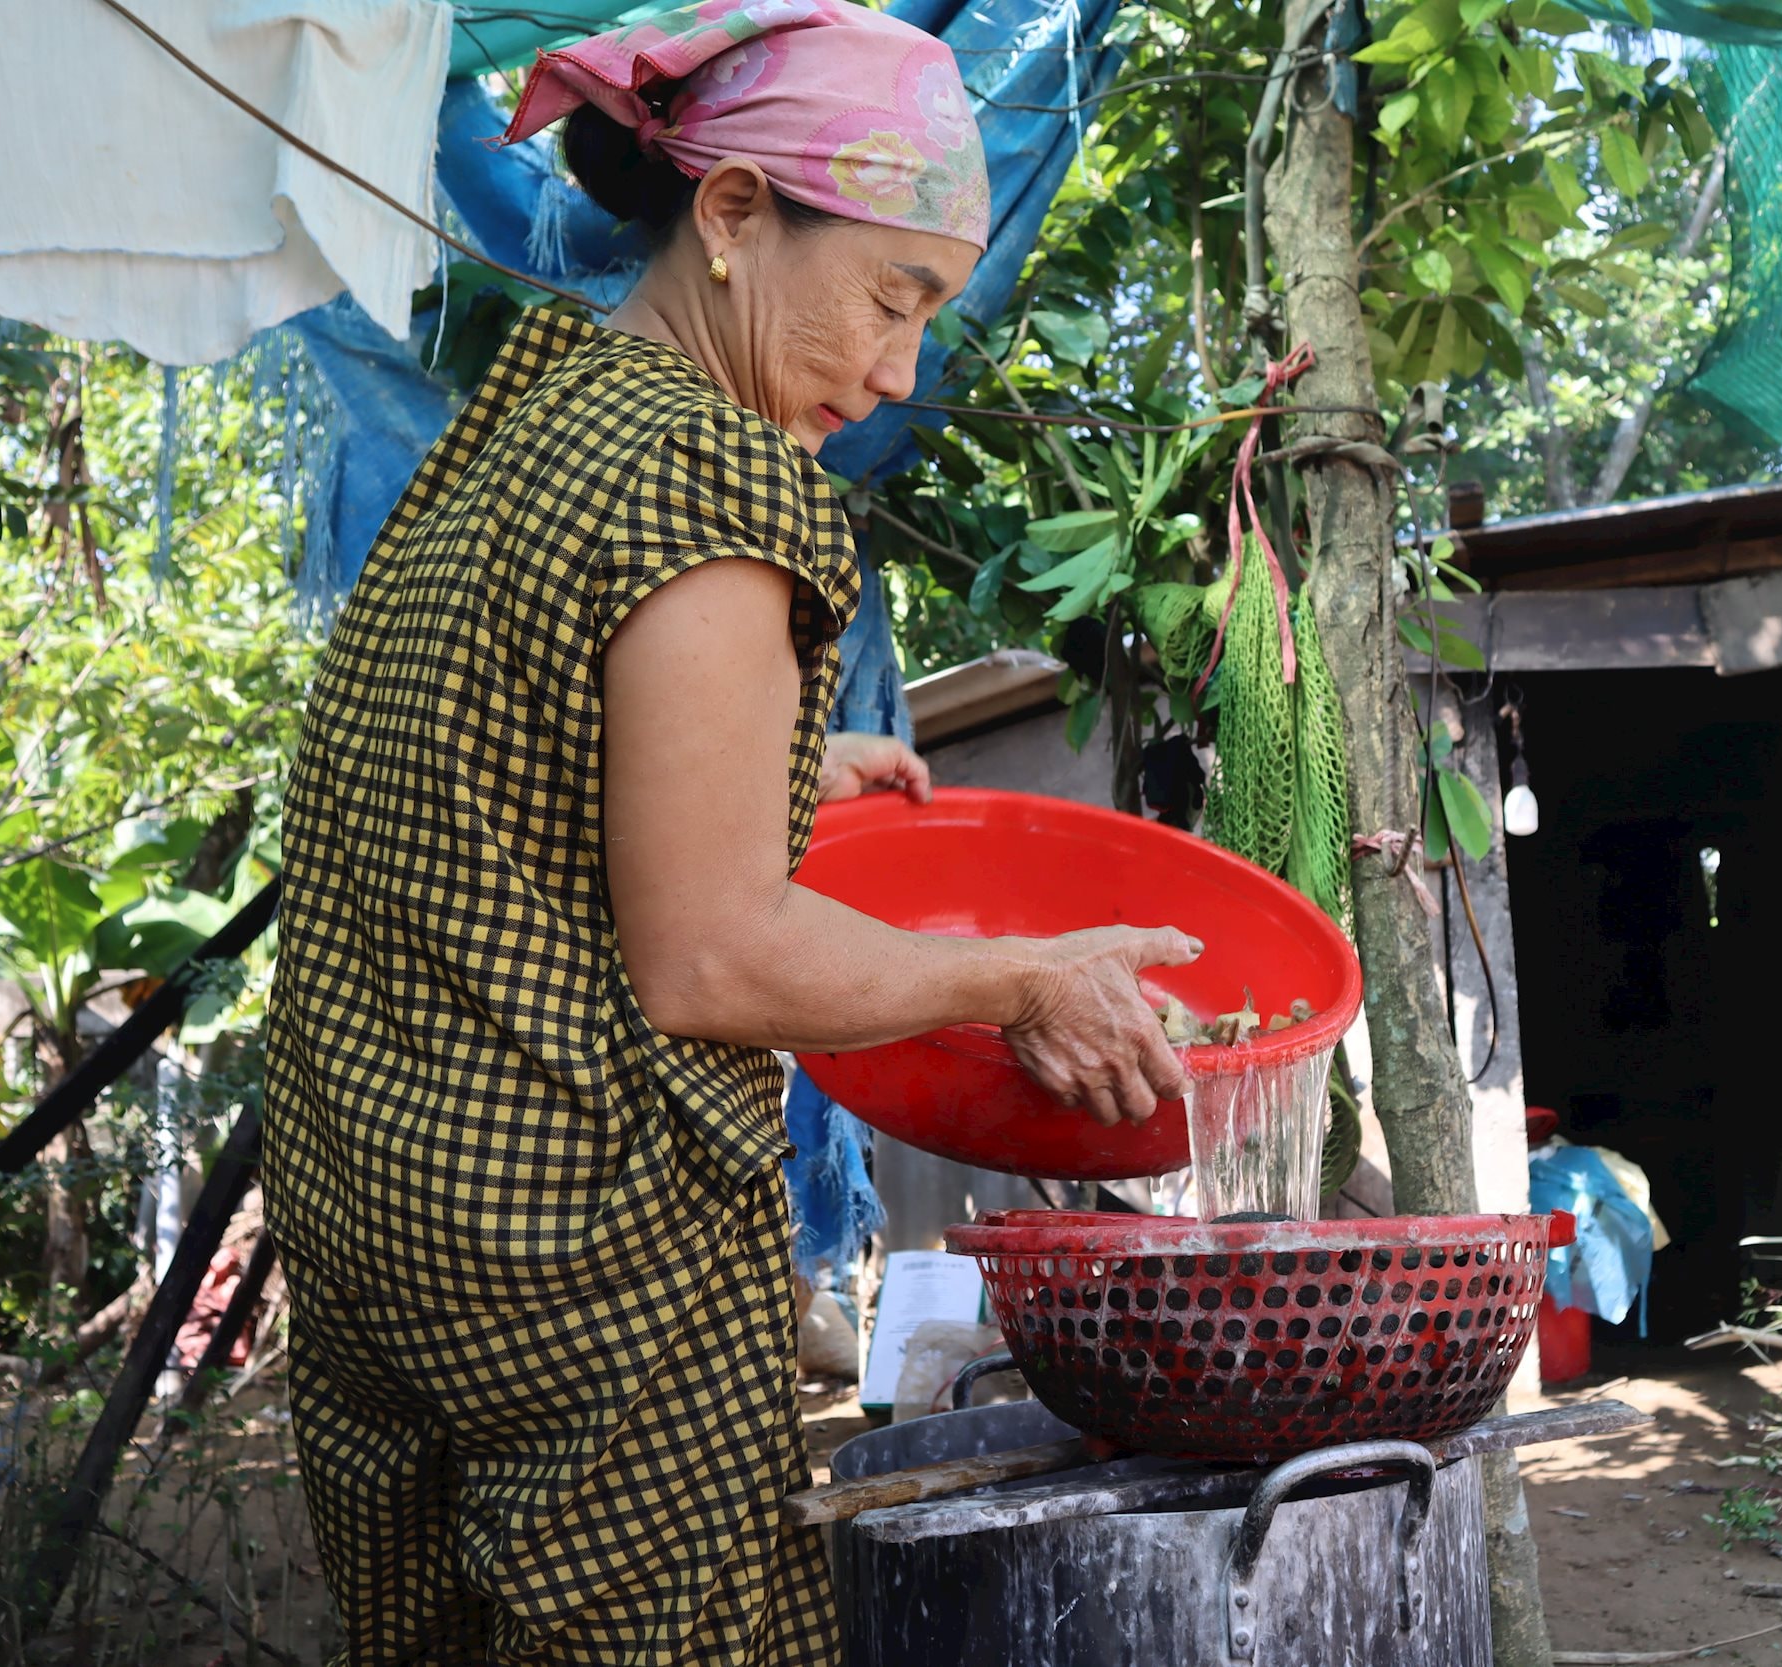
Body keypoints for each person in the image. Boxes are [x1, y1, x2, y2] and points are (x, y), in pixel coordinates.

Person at [260, 4, 1197, 1661]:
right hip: (580, 1268)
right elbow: (710, 959)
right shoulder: (713, 476)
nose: (903, 368)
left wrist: (778, 773)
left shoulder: (517, 421)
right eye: (893, 299)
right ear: (736, 212)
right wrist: (1027, 984)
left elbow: (477, 762)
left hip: (373, 1231)